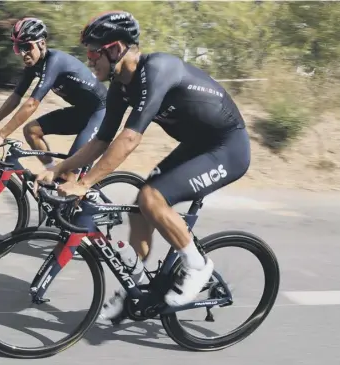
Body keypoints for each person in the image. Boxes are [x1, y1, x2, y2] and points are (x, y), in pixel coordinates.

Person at [34, 10, 251, 322]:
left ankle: (198, 266)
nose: (89, 60)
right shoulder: (121, 87)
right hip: (197, 145)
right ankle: (135, 286)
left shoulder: (157, 69)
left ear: (116, 48)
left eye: (93, 52)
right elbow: (100, 141)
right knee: (141, 204)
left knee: (152, 198)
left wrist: (84, 184)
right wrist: (59, 169)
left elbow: (130, 139)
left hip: (227, 147)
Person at [0, 17, 108, 180]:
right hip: (82, 112)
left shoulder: (55, 61)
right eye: (18, 48)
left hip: (101, 114)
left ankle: (72, 188)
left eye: (27, 46)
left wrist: (1, 135)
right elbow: (15, 98)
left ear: (42, 43)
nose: (23, 53)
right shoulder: (34, 65)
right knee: (32, 130)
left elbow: (31, 104)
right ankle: (52, 175)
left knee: (69, 175)